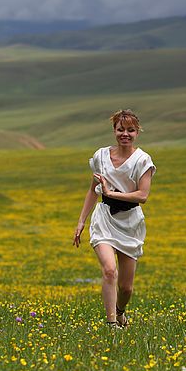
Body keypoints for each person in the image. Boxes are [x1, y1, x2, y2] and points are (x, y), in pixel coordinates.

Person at [73, 109, 156, 327]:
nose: (125, 134)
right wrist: (82, 220)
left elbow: (143, 195)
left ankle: (120, 312)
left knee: (126, 288)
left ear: (137, 132)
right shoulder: (101, 156)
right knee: (110, 270)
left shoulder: (142, 160)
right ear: (114, 131)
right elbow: (93, 190)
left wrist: (112, 193)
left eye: (130, 130)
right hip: (104, 220)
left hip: (130, 222)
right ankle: (111, 325)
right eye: (120, 129)